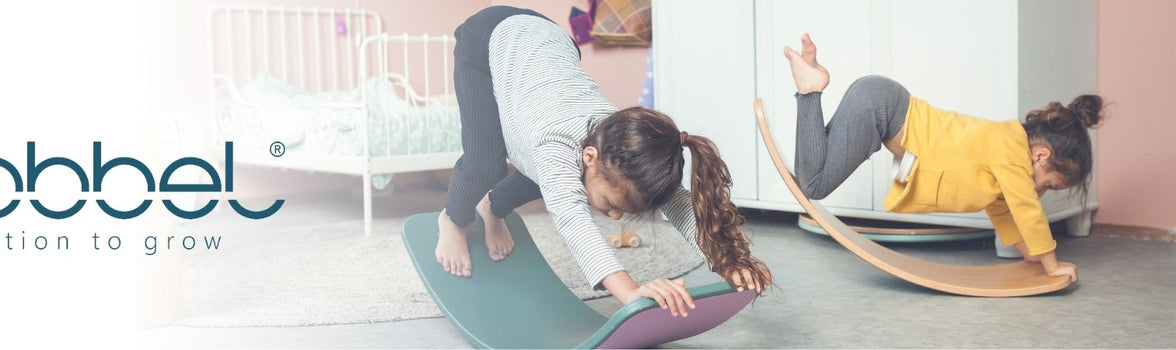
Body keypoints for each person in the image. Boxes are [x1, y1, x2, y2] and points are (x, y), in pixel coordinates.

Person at [434, 6, 773, 317]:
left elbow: (681, 206)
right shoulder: (556, 147)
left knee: (553, 177)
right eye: (613, 204)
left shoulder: (626, 145)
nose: (614, 216)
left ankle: (491, 208)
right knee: (486, 165)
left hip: (550, 43)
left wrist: (725, 260)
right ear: (590, 157)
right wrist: (630, 292)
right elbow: (575, 223)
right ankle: (452, 219)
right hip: (488, 37)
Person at [783, 33, 1100, 282]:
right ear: (1041, 155)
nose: (1041, 192)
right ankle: (810, 90)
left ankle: (810, 86)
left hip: (880, 102)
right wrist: (1051, 262)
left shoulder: (1005, 152)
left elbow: (1002, 210)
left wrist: (1025, 251)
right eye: (1051, 185)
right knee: (813, 184)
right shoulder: (1012, 153)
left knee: (816, 170)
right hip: (881, 108)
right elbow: (1027, 211)